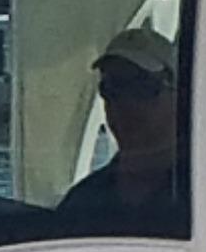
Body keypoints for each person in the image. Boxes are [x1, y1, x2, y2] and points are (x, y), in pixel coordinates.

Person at [53, 27, 189, 237]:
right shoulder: (82, 203)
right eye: (112, 88)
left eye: (141, 86)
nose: (125, 102)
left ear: (179, 95)